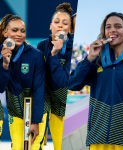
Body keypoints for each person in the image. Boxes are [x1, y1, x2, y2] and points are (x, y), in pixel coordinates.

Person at [69, 12, 123, 150]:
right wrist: (89, 59)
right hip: (99, 139)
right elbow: (73, 84)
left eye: (118, 26)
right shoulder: (95, 63)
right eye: (108, 27)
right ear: (104, 33)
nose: (112, 30)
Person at [0, 14, 46, 150]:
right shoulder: (1, 54)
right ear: (5, 32)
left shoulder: (36, 55)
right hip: (15, 110)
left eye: (23, 31)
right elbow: (1, 88)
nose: (19, 34)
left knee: (34, 148)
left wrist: (35, 121)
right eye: (15, 30)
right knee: (18, 148)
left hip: (36, 111)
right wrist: (5, 65)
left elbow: (39, 88)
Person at [37, 3, 73, 150]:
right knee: (36, 141)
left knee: (61, 145)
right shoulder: (42, 46)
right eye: (56, 22)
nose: (60, 26)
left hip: (62, 103)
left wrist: (56, 55)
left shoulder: (74, 48)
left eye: (65, 23)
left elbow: (63, 81)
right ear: (50, 26)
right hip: (43, 99)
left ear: (70, 29)